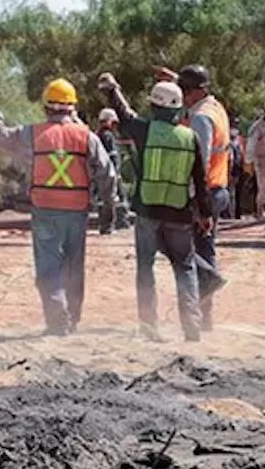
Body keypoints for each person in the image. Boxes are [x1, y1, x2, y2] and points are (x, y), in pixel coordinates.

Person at [0, 78, 116, 336]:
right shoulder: (86, 136)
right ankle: (73, 319)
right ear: (72, 108)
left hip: (45, 210)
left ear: (46, 108)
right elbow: (107, 174)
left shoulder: (32, 133)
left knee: (48, 266)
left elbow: (0, 137)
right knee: (73, 266)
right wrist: (108, 208)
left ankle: (57, 318)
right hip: (77, 211)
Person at [97, 72, 217, 342]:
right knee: (185, 268)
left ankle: (150, 327)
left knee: (145, 268)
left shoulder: (145, 130)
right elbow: (201, 181)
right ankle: (192, 328)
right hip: (180, 214)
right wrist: (205, 214)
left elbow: (125, 116)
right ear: (177, 108)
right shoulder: (190, 138)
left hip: (148, 211)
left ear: (154, 106)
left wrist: (113, 89)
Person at [176, 64, 230, 331]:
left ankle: (204, 299)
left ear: (196, 91)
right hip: (217, 190)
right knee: (204, 250)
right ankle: (205, 317)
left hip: (204, 193)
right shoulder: (215, 108)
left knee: (184, 249)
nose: (182, 96)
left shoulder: (201, 119)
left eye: (185, 91)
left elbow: (200, 163)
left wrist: (198, 205)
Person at [96, 108, 130, 234]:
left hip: (100, 174)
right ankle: (120, 223)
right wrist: (116, 172)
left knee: (104, 199)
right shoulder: (108, 136)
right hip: (111, 173)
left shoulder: (97, 135)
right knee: (117, 198)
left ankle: (106, 225)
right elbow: (112, 155)